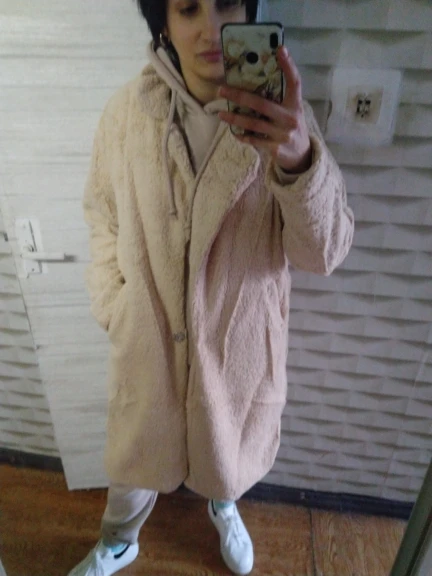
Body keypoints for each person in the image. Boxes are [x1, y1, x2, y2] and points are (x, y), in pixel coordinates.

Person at [69, 0, 354, 574]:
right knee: (131, 467)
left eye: (226, 4)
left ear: (250, 12)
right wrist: (114, 303)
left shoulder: (285, 119)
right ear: (164, 22)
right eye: (188, 8)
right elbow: (102, 213)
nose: (210, 28)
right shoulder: (127, 113)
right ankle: (120, 538)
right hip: (146, 347)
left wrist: (298, 160)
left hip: (237, 350)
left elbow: (322, 254)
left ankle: (224, 505)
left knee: (228, 458)